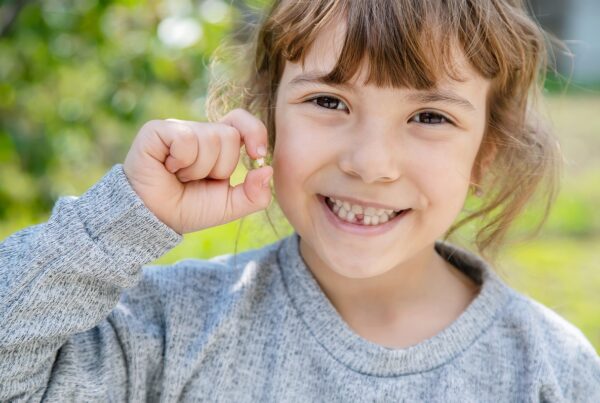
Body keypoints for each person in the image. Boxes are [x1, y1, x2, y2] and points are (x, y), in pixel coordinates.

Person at [1, 0, 599, 401]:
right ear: (267, 115)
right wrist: (124, 218)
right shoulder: (167, 330)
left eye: (429, 116)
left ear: (485, 154)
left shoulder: (550, 369)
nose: (369, 163)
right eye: (329, 103)